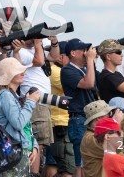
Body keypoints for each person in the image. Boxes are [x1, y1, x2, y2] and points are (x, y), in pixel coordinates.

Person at [10, 22, 59, 177]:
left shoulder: (33, 48)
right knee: (37, 141)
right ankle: (34, 173)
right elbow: (39, 61)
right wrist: (38, 43)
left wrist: (54, 42)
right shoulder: (19, 53)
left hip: (42, 101)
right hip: (34, 101)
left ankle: (34, 172)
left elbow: (54, 57)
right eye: (30, 34)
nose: (34, 36)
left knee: (41, 143)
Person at [0, 57, 40, 177]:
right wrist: (30, 102)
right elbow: (18, 123)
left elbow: (25, 126)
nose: (23, 72)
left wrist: (33, 146)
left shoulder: (13, 96)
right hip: (12, 153)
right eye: (18, 71)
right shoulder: (5, 95)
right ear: (9, 75)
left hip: (18, 151)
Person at [60, 38, 97, 177]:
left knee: (90, 161)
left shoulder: (84, 70)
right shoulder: (67, 70)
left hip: (89, 118)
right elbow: (88, 84)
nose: (86, 53)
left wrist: (91, 63)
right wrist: (90, 60)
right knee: (80, 163)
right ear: (73, 53)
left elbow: (94, 88)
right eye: (83, 50)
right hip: (79, 120)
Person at [44, 41, 75, 177]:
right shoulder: (57, 72)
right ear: (61, 57)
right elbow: (78, 86)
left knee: (56, 164)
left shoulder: (58, 70)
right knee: (63, 166)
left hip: (60, 121)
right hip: (60, 122)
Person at [80, 100, 122, 177]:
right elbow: (117, 148)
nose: (111, 116)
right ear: (99, 118)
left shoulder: (102, 133)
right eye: (109, 113)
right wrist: (117, 124)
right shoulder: (89, 139)